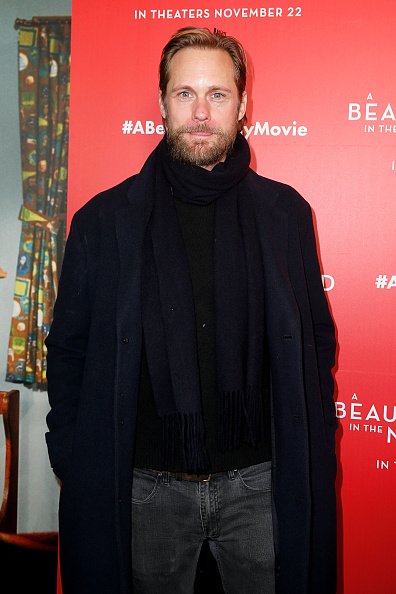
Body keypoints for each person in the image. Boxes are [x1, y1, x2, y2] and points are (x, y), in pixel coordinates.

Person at [45, 26, 338, 594]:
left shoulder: (286, 215)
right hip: (145, 490)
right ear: (162, 103)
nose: (201, 112)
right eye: (185, 94)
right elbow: (70, 352)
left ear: (243, 104)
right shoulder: (103, 222)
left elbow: (316, 343)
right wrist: (73, 460)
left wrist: (315, 441)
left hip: (261, 486)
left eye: (217, 95)